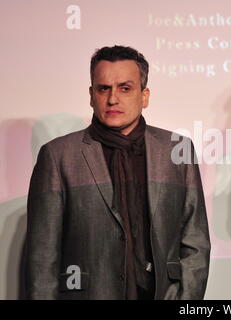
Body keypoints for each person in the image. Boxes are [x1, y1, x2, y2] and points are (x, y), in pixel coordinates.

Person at [25, 45, 210, 300]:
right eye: (104, 89)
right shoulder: (58, 156)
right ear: (91, 95)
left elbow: (196, 242)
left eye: (125, 88)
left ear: (144, 96)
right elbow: (42, 256)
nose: (113, 99)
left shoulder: (177, 149)